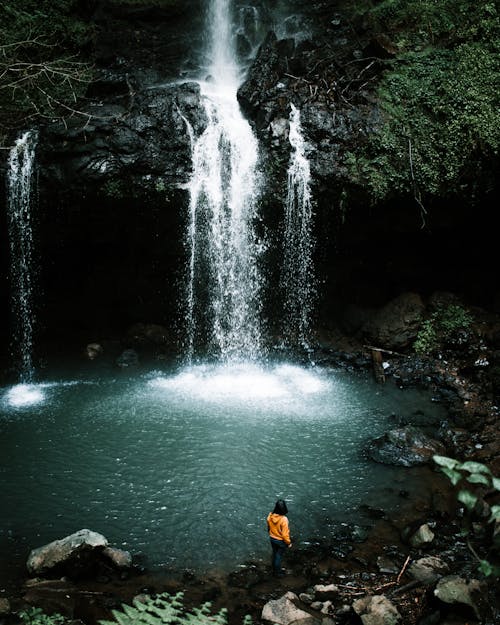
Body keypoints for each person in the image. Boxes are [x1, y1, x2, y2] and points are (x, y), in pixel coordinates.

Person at [267, 499, 292, 576]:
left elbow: (268, 527)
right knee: (279, 556)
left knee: (275, 553)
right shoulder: (284, 519)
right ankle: (278, 573)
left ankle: (274, 568)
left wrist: (271, 534)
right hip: (280, 541)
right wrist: (289, 543)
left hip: (272, 538)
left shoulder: (270, 516)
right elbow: (285, 535)